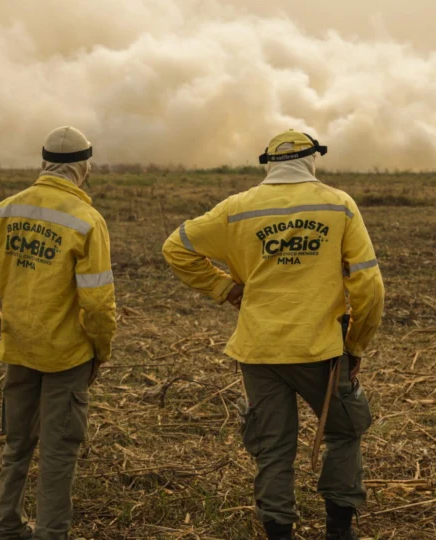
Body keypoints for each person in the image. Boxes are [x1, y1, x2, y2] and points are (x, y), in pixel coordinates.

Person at [162, 131, 385, 540]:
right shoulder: (339, 205)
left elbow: (176, 248)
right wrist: (355, 344)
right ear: (312, 160)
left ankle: (279, 531)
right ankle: (339, 529)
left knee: (273, 446)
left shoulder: (237, 208)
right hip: (321, 350)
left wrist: (224, 287)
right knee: (344, 431)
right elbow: (369, 285)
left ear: (269, 163)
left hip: (259, 350)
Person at [0, 126, 117, 540]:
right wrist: (100, 349)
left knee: (17, 444)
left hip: (19, 346)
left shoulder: (8, 209)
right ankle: (50, 533)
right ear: (84, 168)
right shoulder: (86, 220)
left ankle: (6, 525)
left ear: (43, 162)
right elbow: (98, 303)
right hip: (66, 356)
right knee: (59, 451)